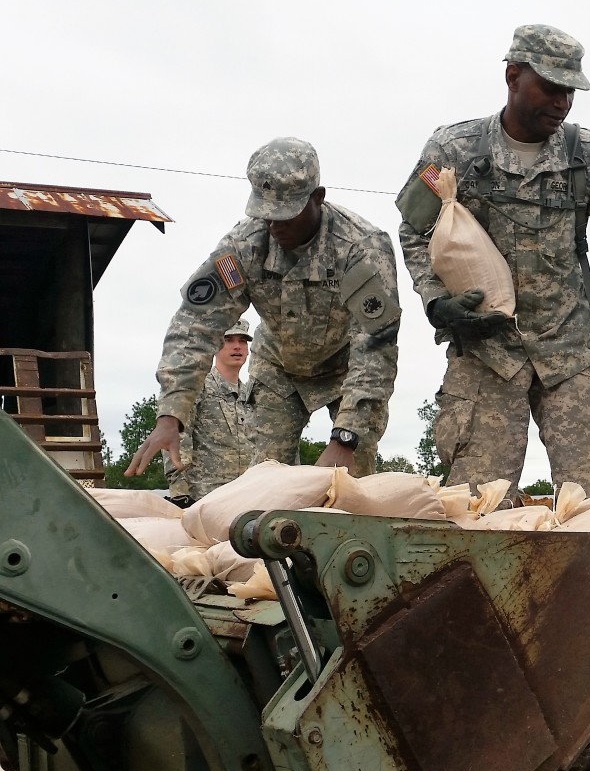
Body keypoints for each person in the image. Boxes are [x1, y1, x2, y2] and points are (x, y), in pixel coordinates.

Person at [397, 24, 590, 500]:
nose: (562, 102)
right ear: (513, 76)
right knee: (474, 508)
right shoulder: (453, 151)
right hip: (487, 352)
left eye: (570, 91)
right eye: (551, 88)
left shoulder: (589, 155)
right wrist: (437, 304)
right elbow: (415, 232)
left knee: (588, 511)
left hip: (572, 351)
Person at [126, 136, 400, 482]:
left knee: (350, 482)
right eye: (265, 214)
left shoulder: (360, 248)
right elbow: (195, 324)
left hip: (347, 370)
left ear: (318, 198)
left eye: (286, 215)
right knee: (264, 481)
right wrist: (171, 412)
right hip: (278, 367)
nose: (275, 225)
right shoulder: (244, 246)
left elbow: (376, 347)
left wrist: (346, 436)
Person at [163, 319, 252, 505]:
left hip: (247, 497)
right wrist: (179, 492)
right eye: (229, 340)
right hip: (205, 498)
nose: (237, 347)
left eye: (242, 341)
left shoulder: (252, 394)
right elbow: (179, 436)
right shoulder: (198, 387)